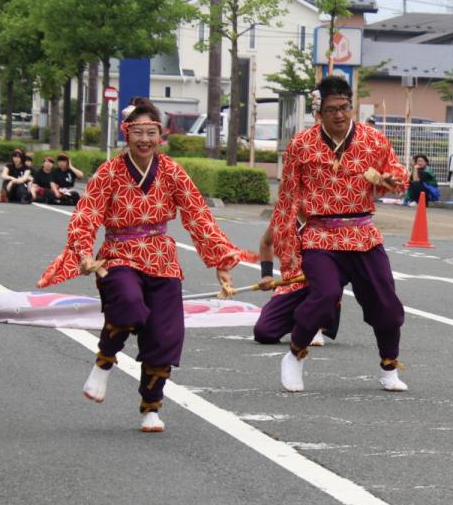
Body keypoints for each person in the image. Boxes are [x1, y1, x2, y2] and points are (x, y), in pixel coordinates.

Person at [37, 98, 255, 433]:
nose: (145, 139)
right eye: (138, 132)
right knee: (128, 302)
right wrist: (83, 252)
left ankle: (151, 407)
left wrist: (219, 261)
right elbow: (87, 214)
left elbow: (197, 214)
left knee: (165, 335)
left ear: (160, 135)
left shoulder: (172, 171)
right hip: (118, 254)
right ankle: (104, 362)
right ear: (126, 134)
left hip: (162, 259)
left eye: (151, 132)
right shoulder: (109, 172)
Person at [268, 75, 409, 394]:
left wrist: (391, 179)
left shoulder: (374, 140)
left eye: (344, 107)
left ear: (352, 107)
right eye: (331, 109)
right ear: (319, 112)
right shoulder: (301, 145)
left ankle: (389, 367)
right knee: (325, 296)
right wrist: (287, 249)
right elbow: (287, 198)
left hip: (363, 235)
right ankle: (295, 354)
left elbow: (398, 174)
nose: (339, 115)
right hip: (320, 236)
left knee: (386, 304)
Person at [251, 224, 334, 348]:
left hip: (319, 284)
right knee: (263, 332)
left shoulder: (327, 218)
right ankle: (300, 321)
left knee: (329, 288)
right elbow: (266, 242)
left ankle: (316, 327)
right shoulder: (283, 217)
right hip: (290, 285)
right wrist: (266, 275)